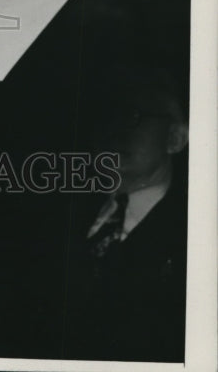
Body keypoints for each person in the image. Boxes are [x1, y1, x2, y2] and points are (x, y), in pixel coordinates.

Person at [62, 64, 188, 361]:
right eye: (103, 116)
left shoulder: (193, 237)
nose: (111, 130)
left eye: (133, 117)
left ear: (175, 138)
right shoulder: (59, 213)